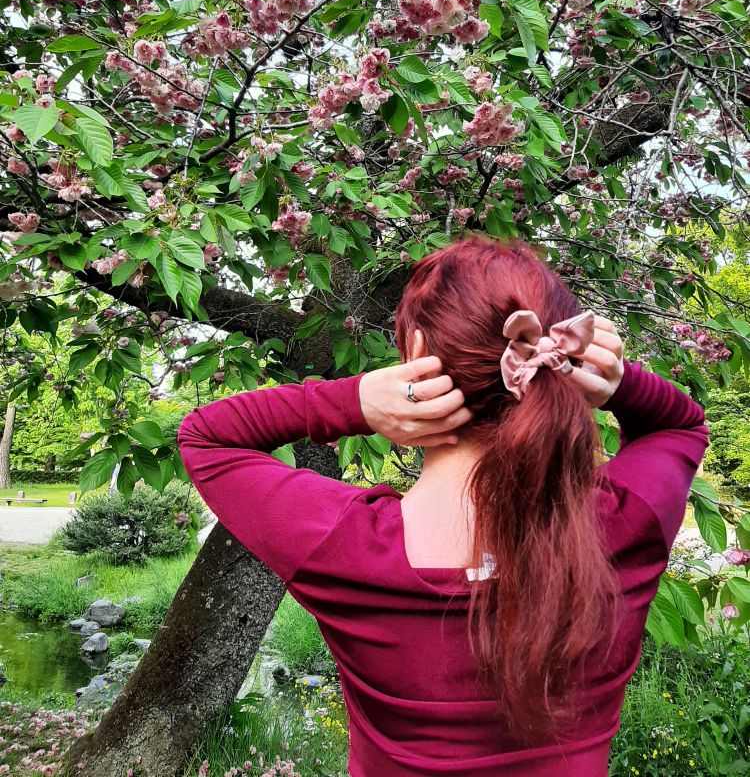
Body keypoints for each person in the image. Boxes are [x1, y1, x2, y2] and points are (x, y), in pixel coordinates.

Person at [177, 233, 710, 776]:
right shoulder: (625, 527)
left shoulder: (339, 547)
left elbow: (204, 436)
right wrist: (619, 386)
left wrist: (353, 398)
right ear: (568, 356)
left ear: (416, 354)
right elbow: (683, 424)